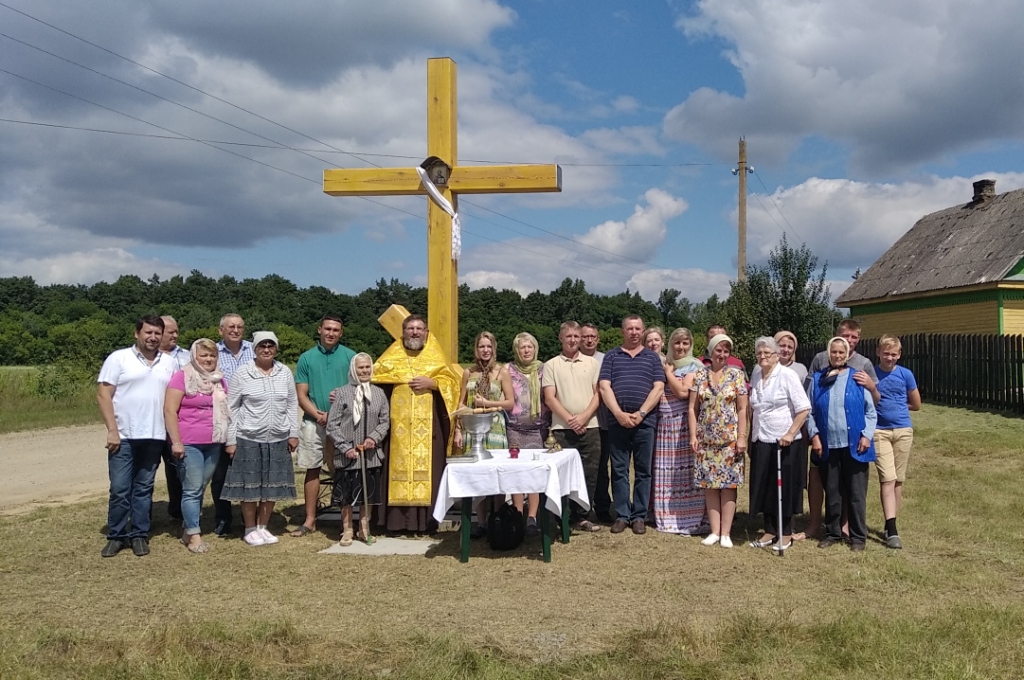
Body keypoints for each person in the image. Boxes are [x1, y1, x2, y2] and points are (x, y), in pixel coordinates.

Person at [372, 313, 460, 533]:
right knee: (394, 470)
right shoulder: (391, 358)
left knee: (429, 470)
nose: (414, 332)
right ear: (402, 332)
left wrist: (434, 382)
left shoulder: (435, 357)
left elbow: (453, 383)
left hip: (429, 428)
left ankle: (427, 523)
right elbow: (374, 379)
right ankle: (395, 523)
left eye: (419, 329)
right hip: (397, 430)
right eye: (410, 328)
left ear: (426, 332)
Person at [97, 315, 177, 557]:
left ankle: (139, 534)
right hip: (123, 435)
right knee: (120, 488)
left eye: (157, 333)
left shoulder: (169, 362)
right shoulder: (119, 358)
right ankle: (117, 535)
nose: (152, 337)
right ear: (137, 334)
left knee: (144, 488)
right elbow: (103, 395)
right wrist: (112, 430)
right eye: (148, 332)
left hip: (154, 435)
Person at [221, 332, 299, 546]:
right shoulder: (242, 373)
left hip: (278, 438)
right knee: (250, 486)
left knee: (271, 485)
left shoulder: (284, 372)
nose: (266, 349)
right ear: (254, 349)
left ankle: (263, 526)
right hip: (248, 436)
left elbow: (292, 404)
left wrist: (293, 433)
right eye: (262, 346)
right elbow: (232, 407)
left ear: (276, 348)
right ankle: (249, 528)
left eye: (270, 345)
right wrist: (231, 440)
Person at [804, 319, 878, 540]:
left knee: (855, 493)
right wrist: (815, 436)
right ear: (828, 354)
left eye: (841, 352)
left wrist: (867, 436)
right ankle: (833, 533)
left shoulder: (857, 377)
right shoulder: (818, 379)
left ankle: (857, 536)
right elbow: (809, 411)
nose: (837, 355)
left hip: (855, 443)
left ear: (847, 355)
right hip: (828, 443)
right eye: (833, 352)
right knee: (833, 492)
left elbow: (871, 411)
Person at [598, 315, 665, 535]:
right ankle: (622, 515)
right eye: (630, 328)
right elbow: (604, 387)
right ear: (622, 331)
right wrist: (618, 413)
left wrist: (641, 413)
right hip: (617, 423)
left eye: (638, 329)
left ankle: (639, 516)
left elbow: (658, 388)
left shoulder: (652, 358)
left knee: (643, 471)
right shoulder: (611, 356)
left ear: (643, 331)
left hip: (645, 423)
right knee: (619, 470)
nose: (634, 332)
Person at [293, 314, 356, 537]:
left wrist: (337, 414)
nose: (331, 333)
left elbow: (358, 390)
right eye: (327, 329)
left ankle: (345, 522)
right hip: (314, 421)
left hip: (343, 423)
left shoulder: (351, 357)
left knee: (343, 471)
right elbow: (301, 394)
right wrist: (319, 415)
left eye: (336, 330)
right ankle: (310, 520)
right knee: (312, 469)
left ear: (341, 333)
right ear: (319, 329)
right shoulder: (306, 358)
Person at [163, 338, 229, 554]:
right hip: (188, 442)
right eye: (204, 355)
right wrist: (176, 442)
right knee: (191, 489)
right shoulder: (181, 378)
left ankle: (186, 530)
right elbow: (170, 411)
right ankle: (194, 535)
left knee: (200, 486)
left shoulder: (219, 380)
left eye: (212, 355)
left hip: (213, 442)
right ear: (194, 357)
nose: (208, 359)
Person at [747, 336, 810, 553]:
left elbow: (803, 408)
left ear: (776, 356)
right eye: (759, 353)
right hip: (761, 438)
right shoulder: (756, 373)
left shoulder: (787, 375)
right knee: (765, 486)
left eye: (767, 353)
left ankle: (786, 533)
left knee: (784, 488)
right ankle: (770, 530)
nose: (763, 357)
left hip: (784, 441)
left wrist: (791, 433)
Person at [688, 334, 748, 548]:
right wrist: (693, 435)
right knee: (710, 486)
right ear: (711, 352)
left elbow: (742, 409)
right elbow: (692, 408)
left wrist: (742, 437)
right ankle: (714, 531)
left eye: (726, 351)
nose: (722, 355)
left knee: (729, 485)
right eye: (718, 350)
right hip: (706, 441)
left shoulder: (737, 375)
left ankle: (726, 533)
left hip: (730, 441)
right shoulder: (699, 375)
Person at [543, 322, 602, 533]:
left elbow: (598, 394)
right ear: (561, 338)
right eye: (569, 336)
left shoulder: (592, 363)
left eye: (577, 336)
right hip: (561, 429)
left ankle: (582, 517)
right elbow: (550, 398)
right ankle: (562, 518)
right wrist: (570, 420)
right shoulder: (551, 365)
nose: (573, 340)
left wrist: (584, 417)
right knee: (561, 475)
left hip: (590, 427)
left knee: (589, 474)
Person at [325, 353, 389, 547]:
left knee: (367, 495)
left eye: (367, 367)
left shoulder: (378, 393)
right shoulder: (343, 393)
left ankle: (364, 528)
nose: (364, 371)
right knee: (346, 495)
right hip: (348, 455)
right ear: (354, 369)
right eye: (361, 368)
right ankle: (347, 529)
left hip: (369, 455)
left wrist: (373, 438)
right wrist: (345, 448)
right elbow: (332, 425)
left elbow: (385, 420)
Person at [454, 331, 514, 538]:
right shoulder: (468, 373)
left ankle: (497, 518)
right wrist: (458, 429)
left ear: (494, 349)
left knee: (496, 474)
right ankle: (480, 523)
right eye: (482, 346)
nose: (485, 350)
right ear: (476, 349)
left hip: (495, 427)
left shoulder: (501, 372)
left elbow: (509, 402)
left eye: (489, 346)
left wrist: (488, 404)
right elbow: (461, 403)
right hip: (473, 426)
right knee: (477, 476)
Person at [653, 327, 707, 535]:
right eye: (677, 343)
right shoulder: (664, 362)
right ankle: (666, 516)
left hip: (684, 426)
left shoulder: (694, 366)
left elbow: (683, 392)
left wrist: (668, 373)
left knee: (684, 472)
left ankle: (689, 517)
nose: (681, 347)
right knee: (667, 473)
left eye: (685, 343)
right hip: (665, 426)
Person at [873, 335, 920, 549]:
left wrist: (899, 407)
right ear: (878, 352)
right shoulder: (872, 373)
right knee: (887, 478)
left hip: (902, 430)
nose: (889, 357)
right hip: (879, 431)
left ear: (899, 355)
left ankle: (890, 522)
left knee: (898, 479)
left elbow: (916, 403)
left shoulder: (905, 374)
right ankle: (892, 530)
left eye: (893, 354)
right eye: (886, 353)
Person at [210, 313, 255, 537]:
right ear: (221, 330)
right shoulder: (212, 353)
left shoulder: (253, 349)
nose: (236, 330)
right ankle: (223, 518)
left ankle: (252, 519)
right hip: (222, 419)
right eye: (231, 327)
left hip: (251, 420)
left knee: (251, 471)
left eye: (239, 326)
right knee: (220, 474)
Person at [505, 332, 550, 534]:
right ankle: (517, 514)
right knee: (517, 473)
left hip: (538, 430)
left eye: (529, 346)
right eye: (522, 347)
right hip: (515, 429)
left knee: (534, 473)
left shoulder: (544, 369)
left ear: (535, 349)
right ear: (516, 350)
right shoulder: (508, 369)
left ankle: (532, 516)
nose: (526, 350)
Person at [775, 330, 810, 532]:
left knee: (793, 476)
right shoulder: (762, 367)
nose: (786, 350)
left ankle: (791, 519)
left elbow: (804, 403)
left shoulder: (800, 370)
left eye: (790, 346)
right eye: (782, 345)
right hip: (770, 432)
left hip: (794, 431)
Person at [158, 315, 190, 521]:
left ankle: (178, 510)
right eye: (171, 332)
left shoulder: (188, 356)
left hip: (181, 421)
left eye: (177, 331)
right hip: (152, 420)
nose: (175, 335)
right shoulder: (147, 357)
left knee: (177, 466)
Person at [581, 323, 613, 523]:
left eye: (593, 336)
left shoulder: (606, 359)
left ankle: (602, 506)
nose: (589, 340)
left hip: (604, 421)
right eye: (585, 336)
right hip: (582, 421)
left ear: (598, 338)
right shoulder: (573, 359)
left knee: (601, 468)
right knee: (582, 468)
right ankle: (580, 508)